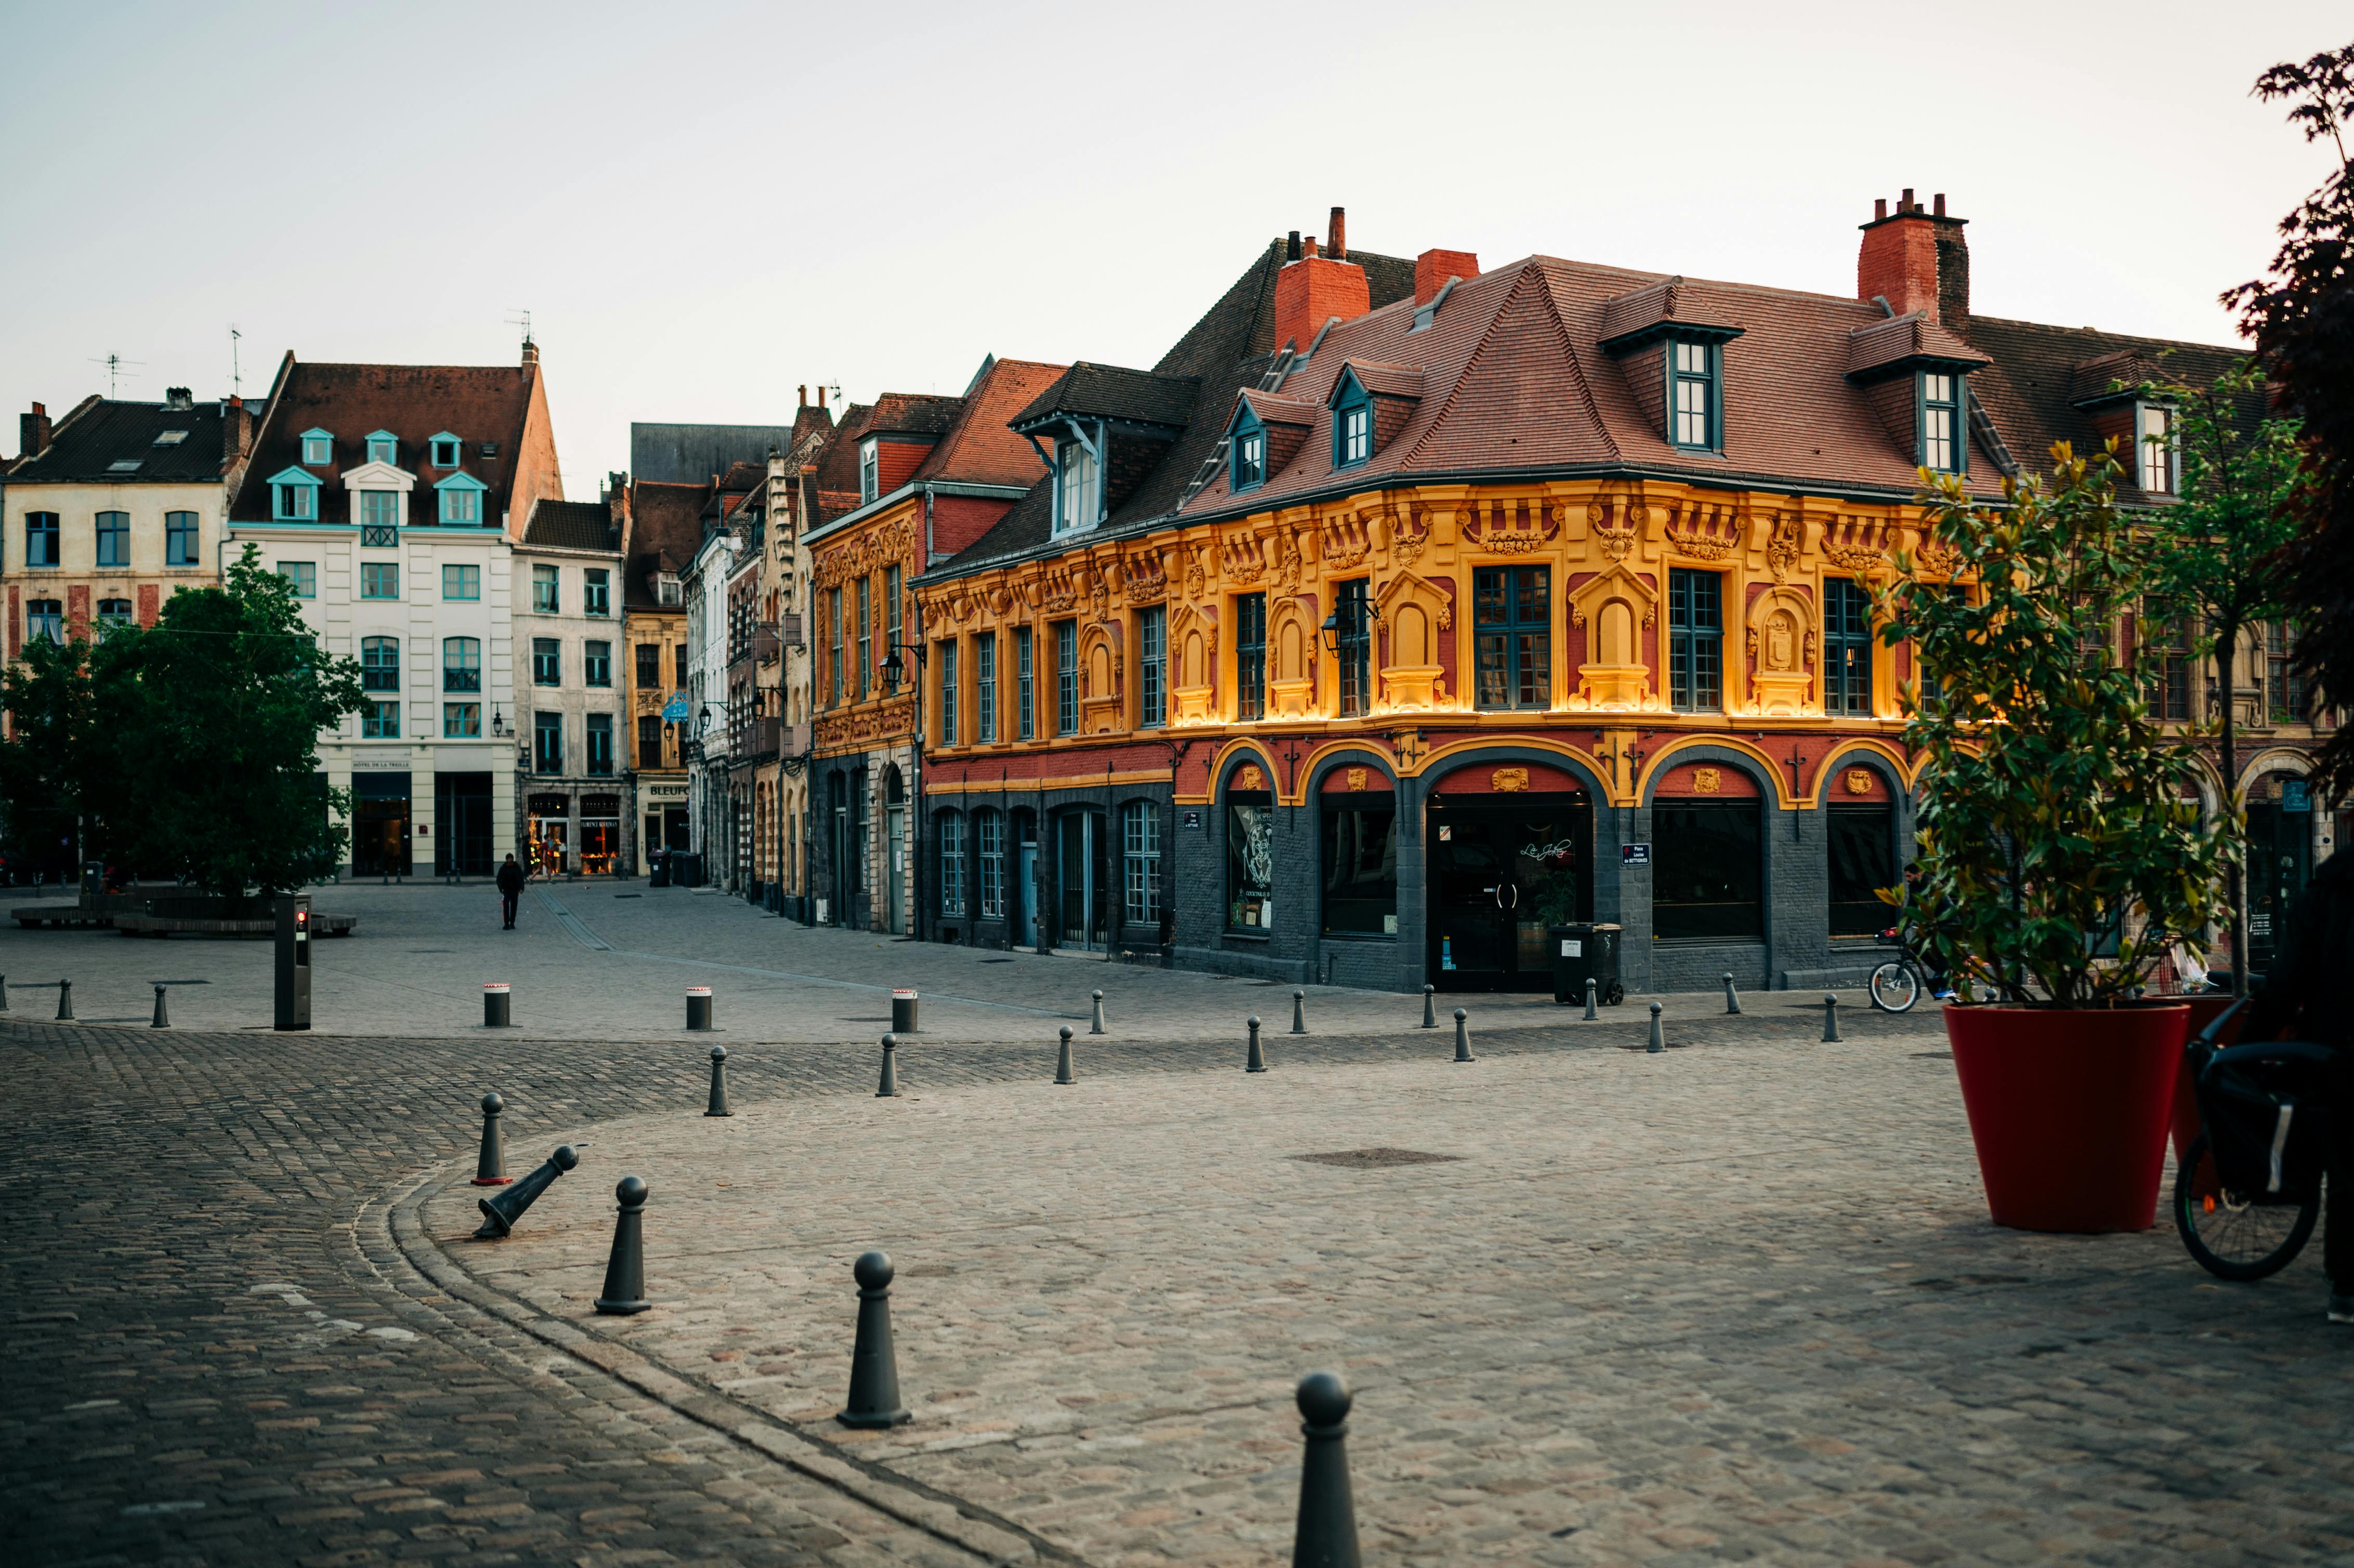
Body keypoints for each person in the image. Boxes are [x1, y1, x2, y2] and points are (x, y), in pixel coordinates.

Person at [2241, 848, 2354, 1325]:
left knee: (2348, 1167)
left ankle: (2348, 1289)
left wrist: (2249, 1048)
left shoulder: (2326, 891)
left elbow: (2286, 982)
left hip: (2340, 1053)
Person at [1901, 861, 1957, 1001]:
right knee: (1915, 944)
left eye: (1909, 876)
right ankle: (1940, 972)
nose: (1907, 879)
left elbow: (1930, 906)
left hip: (1948, 921)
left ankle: (1947, 988)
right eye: (1906, 877)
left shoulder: (1931, 884)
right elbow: (1911, 907)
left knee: (1941, 949)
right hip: (1934, 924)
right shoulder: (1914, 886)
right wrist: (1901, 927)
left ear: (1919, 874)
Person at [496, 852, 526, 930]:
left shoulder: (517, 868)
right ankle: (506, 924)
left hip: (515, 890)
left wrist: (522, 888)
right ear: (507, 860)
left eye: (511, 858)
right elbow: (498, 879)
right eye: (509, 858)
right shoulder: (503, 868)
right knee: (506, 907)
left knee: (514, 907)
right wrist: (501, 888)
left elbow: (521, 878)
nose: (510, 860)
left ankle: (512, 923)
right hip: (506, 890)